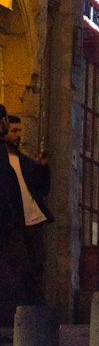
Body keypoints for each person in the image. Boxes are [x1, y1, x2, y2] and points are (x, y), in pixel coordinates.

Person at [0, 105, 54, 319]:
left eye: (20, 131)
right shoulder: (4, 158)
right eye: (14, 131)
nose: (17, 136)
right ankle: (38, 311)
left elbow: (42, 188)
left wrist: (42, 167)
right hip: (16, 222)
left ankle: (35, 312)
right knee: (22, 268)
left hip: (33, 219)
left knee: (36, 263)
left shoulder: (24, 161)